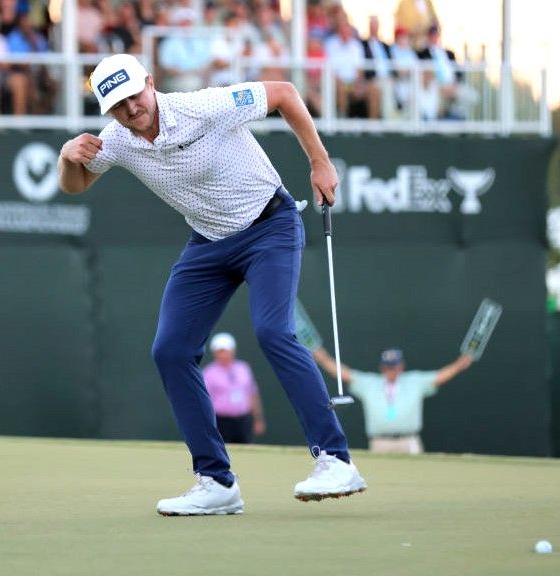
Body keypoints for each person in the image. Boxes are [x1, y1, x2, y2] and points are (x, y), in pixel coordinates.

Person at [58, 53, 365, 516]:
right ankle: (216, 482)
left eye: (134, 96)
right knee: (171, 350)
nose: (130, 110)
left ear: (150, 82)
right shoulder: (117, 140)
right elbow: (76, 185)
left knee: (272, 331)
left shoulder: (204, 105)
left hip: (269, 226)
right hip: (208, 244)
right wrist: (67, 157)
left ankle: (335, 459)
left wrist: (320, 163)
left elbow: (283, 93)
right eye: (117, 105)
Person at [323, 348, 473, 454]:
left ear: (401, 366)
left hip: (409, 441)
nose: (391, 370)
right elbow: (343, 373)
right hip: (379, 442)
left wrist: (460, 364)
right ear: (382, 367)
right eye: (388, 367)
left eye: (394, 367)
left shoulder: (415, 381)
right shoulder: (369, 383)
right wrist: (319, 355)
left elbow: (440, 376)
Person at [202, 333, 266, 444]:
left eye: (226, 351)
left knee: (245, 452)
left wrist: (258, 419)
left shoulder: (243, 368)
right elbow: (204, 400)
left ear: (233, 351)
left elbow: (252, 394)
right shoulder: (208, 372)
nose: (224, 355)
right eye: (220, 351)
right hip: (220, 421)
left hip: (243, 419)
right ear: (215, 353)